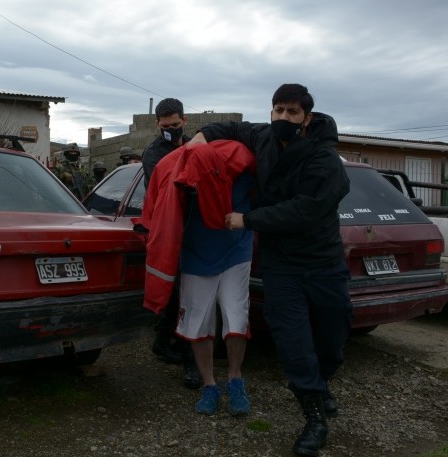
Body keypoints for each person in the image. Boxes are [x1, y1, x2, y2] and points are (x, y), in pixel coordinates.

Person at [188, 83, 353, 456]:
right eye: (278, 110)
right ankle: (313, 417)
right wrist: (200, 137)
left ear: (306, 119)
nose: (283, 118)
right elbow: (229, 127)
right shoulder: (262, 137)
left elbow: (305, 209)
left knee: (332, 340)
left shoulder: (324, 160)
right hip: (281, 267)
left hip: (322, 262)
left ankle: (321, 384)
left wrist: (248, 219)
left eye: (292, 112)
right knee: (294, 345)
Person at [176, 169, 256, 416]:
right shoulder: (185, 166)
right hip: (196, 252)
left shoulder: (245, 166)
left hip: (236, 250)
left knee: (236, 315)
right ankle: (209, 385)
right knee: (198, 321)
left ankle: (235, 379)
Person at [140, 97, 200, 389]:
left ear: (184, 122)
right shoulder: (154, 154)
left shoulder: (194, 146)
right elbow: (168, 184)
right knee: (173, 290)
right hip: (167, 227)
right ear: (157, 125)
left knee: (184, 292)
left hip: (193, 228)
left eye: (175, 126)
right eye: (165, 127)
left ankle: (165, 341)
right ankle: (168, 343)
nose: (171, 131)